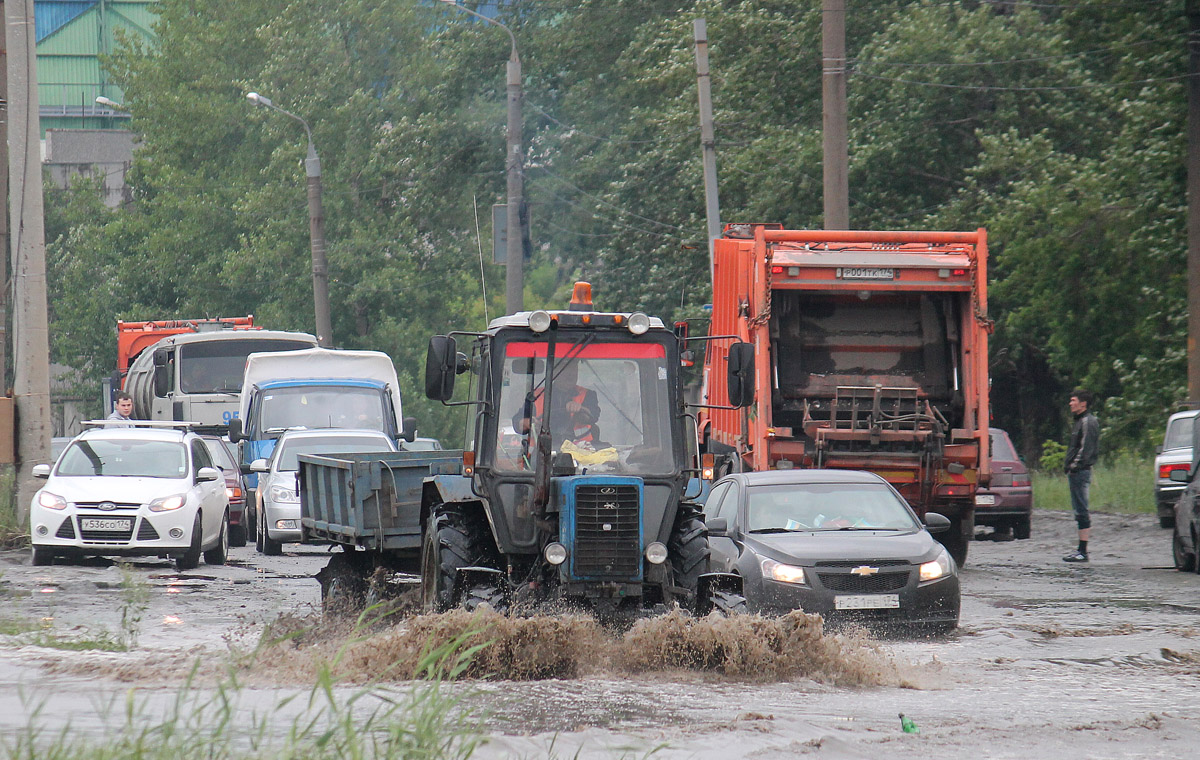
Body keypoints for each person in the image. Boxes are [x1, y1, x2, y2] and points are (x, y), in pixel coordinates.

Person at [513, 360, 601, 447]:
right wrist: (529, 423)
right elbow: (518, 421)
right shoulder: (536, 396)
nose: (571, 374)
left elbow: (592, 416)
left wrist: (581, 409)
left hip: (582, 453)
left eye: (574, 368)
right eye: (566, 369)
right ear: (554, 372)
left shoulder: (588, 395)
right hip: (541, 454)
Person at [1062, 389, 1100, 563]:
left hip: (1080, 472)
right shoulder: (1079, 421)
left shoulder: (1087, 422)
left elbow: (1085, 450)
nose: (1071, 403)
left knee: (1082, 510)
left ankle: (1083, 551)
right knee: (1079, 510)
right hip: (1077, 472)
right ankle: (1081, 549)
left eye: (1073, 400)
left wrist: (1073, 467)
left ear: (1083, 403)